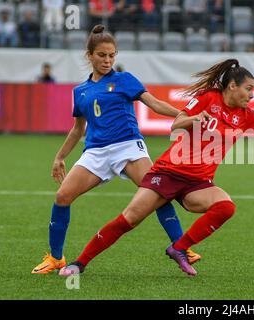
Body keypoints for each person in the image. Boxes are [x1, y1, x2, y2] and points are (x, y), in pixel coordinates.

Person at [58, 58, 254, 277]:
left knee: (226, 207)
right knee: (129, 219)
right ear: (232, 86)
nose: (252, 95)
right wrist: (194, 119)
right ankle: (80, 263)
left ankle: (178, 247)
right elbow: (176, 124)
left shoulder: (247, 115)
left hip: (198, 183)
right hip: (168, 172)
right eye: (249, 89)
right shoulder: (208, 98)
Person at [31, 24, 201, 274]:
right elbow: (78, 129)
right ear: (89, 55)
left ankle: (182, 248)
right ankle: (56, 258)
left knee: (156, 191)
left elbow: (153, 103)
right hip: (96, 152)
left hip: (128, 146)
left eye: (112, 55)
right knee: (62, 197)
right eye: (102, 55)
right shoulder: (80, 91)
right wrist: (59, 157)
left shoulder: (124, 80)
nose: (107, 60)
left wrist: (186, 117)